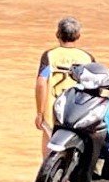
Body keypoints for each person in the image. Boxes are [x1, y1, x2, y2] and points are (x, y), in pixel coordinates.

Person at [35, 17, 94, 156]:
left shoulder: (49, 56)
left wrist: (40, 113)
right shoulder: (87, 58)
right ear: (78, 36)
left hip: (52, 110)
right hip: (77, 109)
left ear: (58, 34)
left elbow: (41, 82)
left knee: (49, 143)